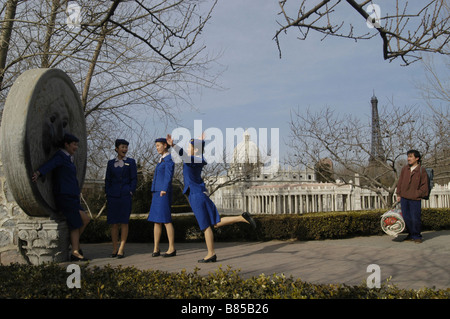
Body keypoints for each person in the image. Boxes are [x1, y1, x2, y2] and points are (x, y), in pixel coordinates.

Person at [166, 134, 256, 263]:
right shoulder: (198, 158)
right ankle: (241, 217)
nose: (187, 148)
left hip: (196, 195)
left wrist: (173, 145)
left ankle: (211, 253)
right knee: (215, 222)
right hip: (201, 194)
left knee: (206, 226)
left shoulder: (193, 160)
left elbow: (183, 155)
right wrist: (201, 142)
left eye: (189, 146)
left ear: (195, 149)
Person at [32, 133, 90, 261]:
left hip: (72, 196)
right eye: (74, 145)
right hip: (64, 196)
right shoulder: (60, 156)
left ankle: (73, 245)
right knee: (75, 224)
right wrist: (38, 173)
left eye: (77, 145)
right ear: (66, 144)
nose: (76, 147)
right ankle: (75, 252)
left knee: (85, 219)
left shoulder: (69, 158)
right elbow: (50, 164)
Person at [105, 139, 137, 258]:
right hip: (113, 196)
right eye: (122, 147)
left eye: (126, 147)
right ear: (116, 149)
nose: (125, 149)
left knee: (124, 222)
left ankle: (121, 249)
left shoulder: (131, 162)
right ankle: (114, 248)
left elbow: (134, 179)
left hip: (125, 196)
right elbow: (107, 180)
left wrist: (130, 191)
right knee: (114, 223)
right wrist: (108, 193)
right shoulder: (110, 163)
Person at [147, 138, 176, 257]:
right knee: (156, 221)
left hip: (163, 193)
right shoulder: (161, 160)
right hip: (157, 193)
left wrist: (164, 189)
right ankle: (156, 248)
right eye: (156, 146)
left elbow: (169, 176)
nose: (157, 148)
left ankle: (171, 248)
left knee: (166, 220)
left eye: (158, 145)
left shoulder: (168, 160)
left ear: (165, 145)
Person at [396, 149, 429, 243]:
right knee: (407, 218)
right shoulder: (404, 169)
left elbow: (424, 186)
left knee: (415, 218)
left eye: (411, 157)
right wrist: (399, 194)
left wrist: (417, 194)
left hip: (415, 198)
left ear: (417, 158)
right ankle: (410, 234)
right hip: (404, 197)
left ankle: (417, 236)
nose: (408, 159)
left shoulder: (422, 171)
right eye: (408, 156)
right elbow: (400, 182)